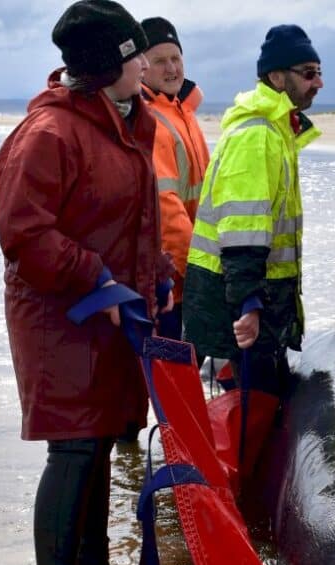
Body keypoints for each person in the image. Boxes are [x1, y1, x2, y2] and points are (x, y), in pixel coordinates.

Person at [0, 1, 172, 565]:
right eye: (135, 53)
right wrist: (95, 279)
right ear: (108, 65)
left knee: (98, 438)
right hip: (59, 314)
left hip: (113, 309)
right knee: (72, 443)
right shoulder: (48, 133)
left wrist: (161, 275)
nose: (145, 63)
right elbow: (23, 233)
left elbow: (134, 220)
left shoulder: (129, 118)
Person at [182, 24, 322, 397]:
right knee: (251, 416)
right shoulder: (257, 134)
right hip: (235, 300)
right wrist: (249, 303)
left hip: (261, 297)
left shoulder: (278, 130)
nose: (318, 83)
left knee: (264, 410)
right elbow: (243, 230)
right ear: (277, 77)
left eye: (319, 72)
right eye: (308, 73)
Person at [140, 16, 210, 338]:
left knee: (190, 370)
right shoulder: (149, 119)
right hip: (173, 288)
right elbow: (166, 211)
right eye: (160, 61)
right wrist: (199, 273)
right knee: (171, 376)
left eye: (176, 58)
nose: (171, 68)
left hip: (195, 274)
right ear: (142, 66)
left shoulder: (184, 112)